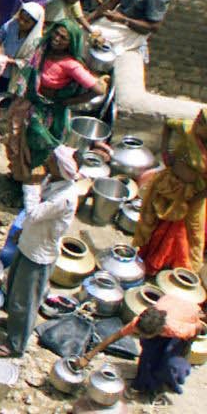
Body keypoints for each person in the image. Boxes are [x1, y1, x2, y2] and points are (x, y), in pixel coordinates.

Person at [0, 146, 85, 357]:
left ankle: (15, 345)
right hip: (28, 243)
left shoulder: (65, 197)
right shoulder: (52, 181)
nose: (47, 159)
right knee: (14, 288)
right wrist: (21, 231)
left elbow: (34, 212)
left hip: (38, 254)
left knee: (25, 300)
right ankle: (14, 323)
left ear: (61, 168)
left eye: (52, 158)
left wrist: (31, 184)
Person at [0, 19, 106, 184]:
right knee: (18, 141)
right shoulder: (43, 51)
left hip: (47, 116)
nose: (57, 39)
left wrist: (70, 101)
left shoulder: (71, 65)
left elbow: (99, 89)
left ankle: (29, 184)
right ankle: (17, 175)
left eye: (63, 38)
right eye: (56, 33)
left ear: (71, 43)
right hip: (29, 105)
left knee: (37, 148)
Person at [76, 298, 203, 397]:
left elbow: (197, 329)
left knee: (170, 363)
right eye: (139, 333)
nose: (140, 336)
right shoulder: (141, 321)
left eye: (144, 334)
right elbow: (115, 336)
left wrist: (184, 353)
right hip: (169, 304)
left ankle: (167, 381)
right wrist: (88, 357)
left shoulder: (179, 329)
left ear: (159, 331)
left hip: (186, 315)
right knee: (148, 353)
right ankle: (143, 384)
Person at [135, 110, 207, 275]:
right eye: (199, 119)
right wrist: (165, 153)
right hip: (169, 185)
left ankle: (176, 268)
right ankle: (149, 258)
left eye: (203, 124)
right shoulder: (188, 129)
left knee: (184, 232)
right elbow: (168, 124)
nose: (198, 124)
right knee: (155, 219)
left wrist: (194, 198)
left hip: (193, 194)